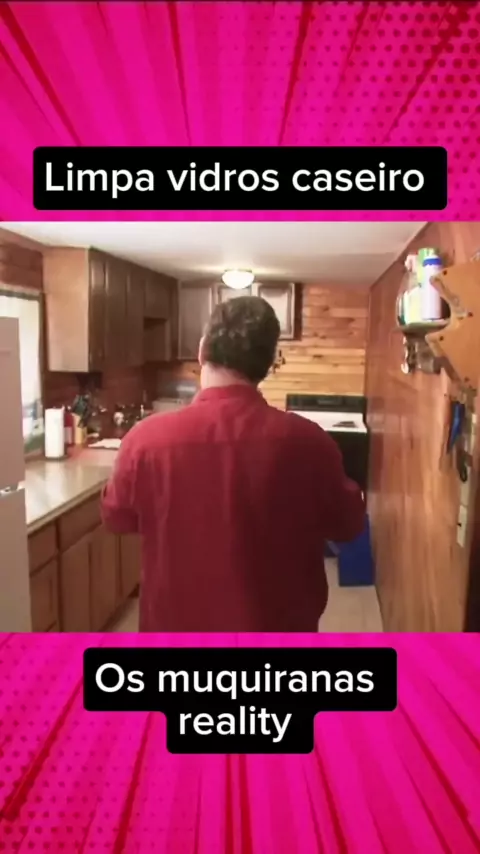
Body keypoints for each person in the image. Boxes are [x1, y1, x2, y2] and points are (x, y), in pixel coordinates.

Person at [101, 296, 365, 632]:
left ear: (202, 351)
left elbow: (117, 518)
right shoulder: (310, 441)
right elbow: (348, 525)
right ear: (268, 364)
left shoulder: (145, 440)